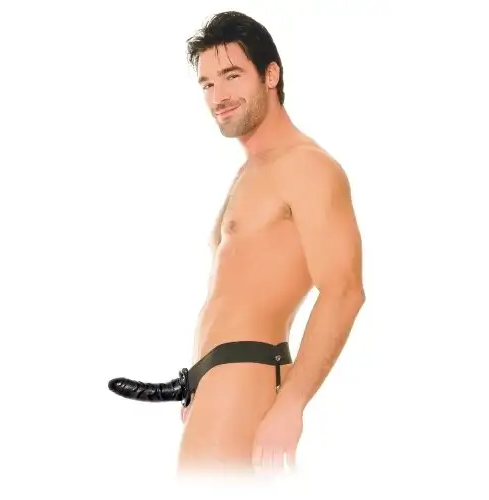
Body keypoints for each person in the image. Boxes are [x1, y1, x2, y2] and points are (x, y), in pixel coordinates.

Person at [109, 10, 365, 478]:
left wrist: (291, 403)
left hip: (246, 376)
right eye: (207, 84)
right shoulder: (251, 171)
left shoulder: (307, 166)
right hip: (214, 383)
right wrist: (200, 380)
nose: (218, 96)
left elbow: (345, 290)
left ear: (271, 75)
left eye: (231, 76)